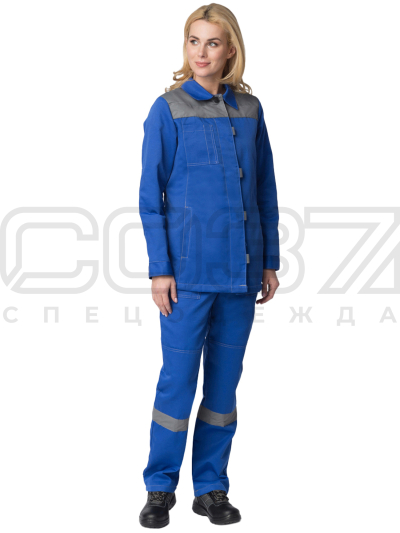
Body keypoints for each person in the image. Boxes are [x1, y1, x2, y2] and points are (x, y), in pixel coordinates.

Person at [138, 3, 280, 528]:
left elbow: (265, 190)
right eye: (193, 41)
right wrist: (160, 269)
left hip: (241, 274)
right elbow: (150, 197)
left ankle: (211, 488)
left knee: (222, 389)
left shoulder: (251, 110)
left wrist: (268, 262)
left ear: (230, 50)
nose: (201, 52)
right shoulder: (167, 109)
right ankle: (160, 488)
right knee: (176, 383)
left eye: (212, 43)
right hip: (187, 276)